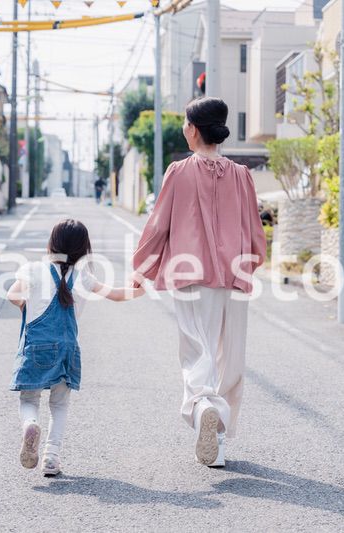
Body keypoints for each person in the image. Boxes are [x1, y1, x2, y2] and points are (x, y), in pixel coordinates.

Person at [132, 97, 267, 467]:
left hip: (192, 276)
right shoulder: (242, 176)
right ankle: (218, 446)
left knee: (198, 352)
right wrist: (249, 265)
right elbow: (256, 233)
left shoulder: (179, 171)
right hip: (235, 276)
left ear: (192, 129)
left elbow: (159, 225)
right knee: (230, 358)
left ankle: (204, 406)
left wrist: (141, 269)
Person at [7, 219, 144, 477]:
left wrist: (27, 307)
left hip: (35, 346)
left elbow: (12, 295)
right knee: (59, 405)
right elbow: (115, 294)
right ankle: (51, 457)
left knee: (29, 399)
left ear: (52, 244)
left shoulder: (33, 269)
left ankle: (30, 424)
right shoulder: (83, 277)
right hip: (66, 350)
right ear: (84, 249)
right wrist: (138, 291)